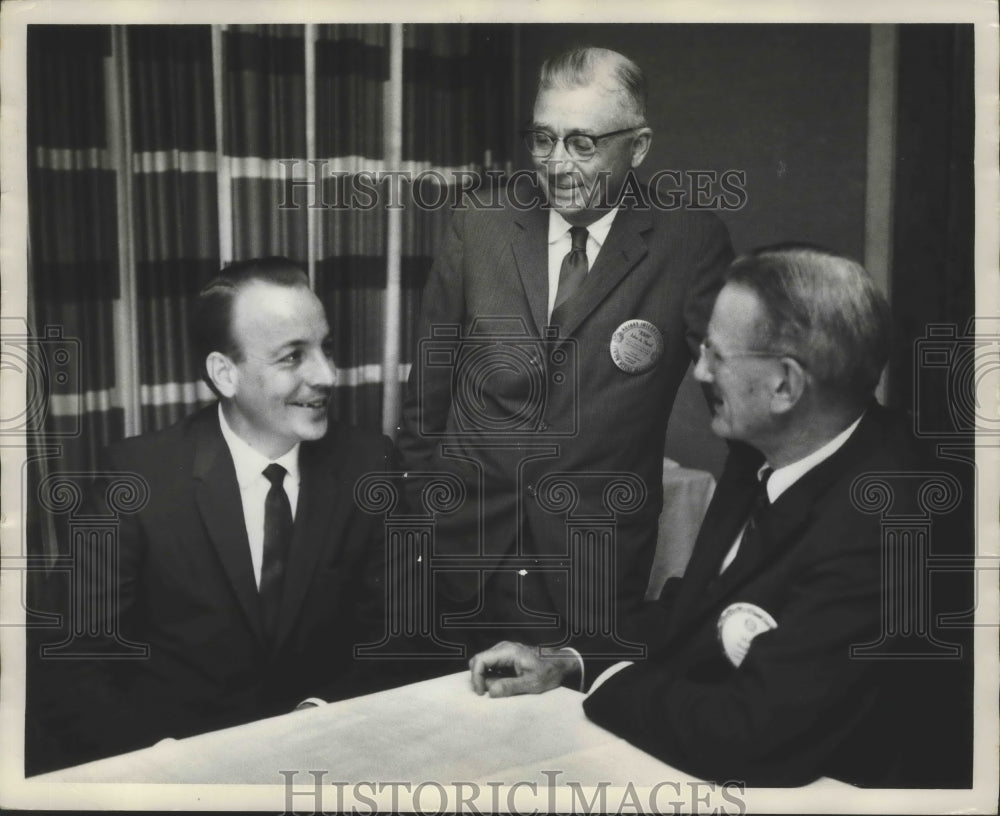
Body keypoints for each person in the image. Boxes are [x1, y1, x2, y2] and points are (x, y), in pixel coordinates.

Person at [470, 246, 942, 786]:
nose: (698, 371)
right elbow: (695, 610)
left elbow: (750, 734)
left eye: (717, 356)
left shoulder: (886, 521)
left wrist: (612, 680)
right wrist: (568, 661)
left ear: (785, 385)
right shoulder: (760, 449)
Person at [396, 47, 733, 657]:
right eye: (543, 139)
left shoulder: (688, 242)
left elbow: (737, 400)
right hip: (462, 555)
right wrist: (427, 522)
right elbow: (427, 397)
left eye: (583, 144)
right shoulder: (481, 224)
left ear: (638, 147)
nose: (557, 165)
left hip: (590, 568)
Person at [52, 257, 395, 764]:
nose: (327, 374)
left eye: (325, 348)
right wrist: (161, 763)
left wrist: (322, 713)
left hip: (325, 757)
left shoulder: (370, 464)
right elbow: (72, 662)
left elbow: (395, 637)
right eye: (292, 357)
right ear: (224, 373)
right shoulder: (137, 477)